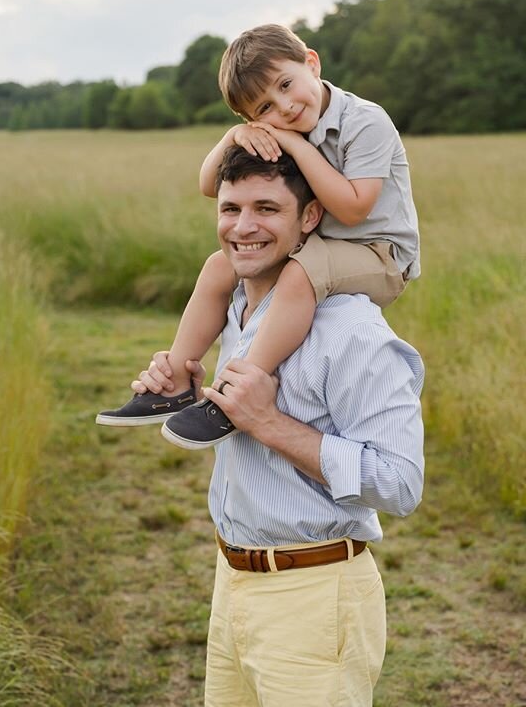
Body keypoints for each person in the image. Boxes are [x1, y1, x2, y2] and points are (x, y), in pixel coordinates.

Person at [132, 145, 425, 706]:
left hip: (316, 599)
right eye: (230, 208)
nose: (243, 227)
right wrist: (189, 390)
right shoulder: (240, 306)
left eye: (266, 208)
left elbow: (401, 484)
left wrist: (267, 422)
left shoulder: (353, 333)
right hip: (232, 582)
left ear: (309, 218)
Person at [97, 23, 420, 448]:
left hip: (380, 255)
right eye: (264, 108)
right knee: (219, 265)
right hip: (322, 247)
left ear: (311, 62)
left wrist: (294, 144)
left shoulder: (364, 121)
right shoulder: (273, 126)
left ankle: (241, 387)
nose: (284, 107)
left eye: (286, 84)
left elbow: (354, 207)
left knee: (299, 274)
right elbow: (208, 185)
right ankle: (173, 381)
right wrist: (234, 135)